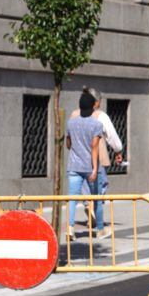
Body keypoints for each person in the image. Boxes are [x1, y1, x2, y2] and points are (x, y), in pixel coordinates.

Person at [80, 87, 123, 239]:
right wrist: (118, 150)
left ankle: (87, 205)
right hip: (97, 156)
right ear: (96, 102)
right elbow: (111, 135)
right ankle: (98, 224)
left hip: (78, 158)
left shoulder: (76, 114)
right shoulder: (100, 116)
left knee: (85, 185)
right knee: (101, 185)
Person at [65, 91, 104, 241]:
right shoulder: (96, 124)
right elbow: (94, 147)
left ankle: (70, 228)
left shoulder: (71, 123)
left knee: (72, 199)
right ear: (93, 107)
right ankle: (100, 229)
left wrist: (75, 146)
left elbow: (68, 144)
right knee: (96, 199)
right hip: (90, 167)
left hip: (74, 166)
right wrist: (94, 169)